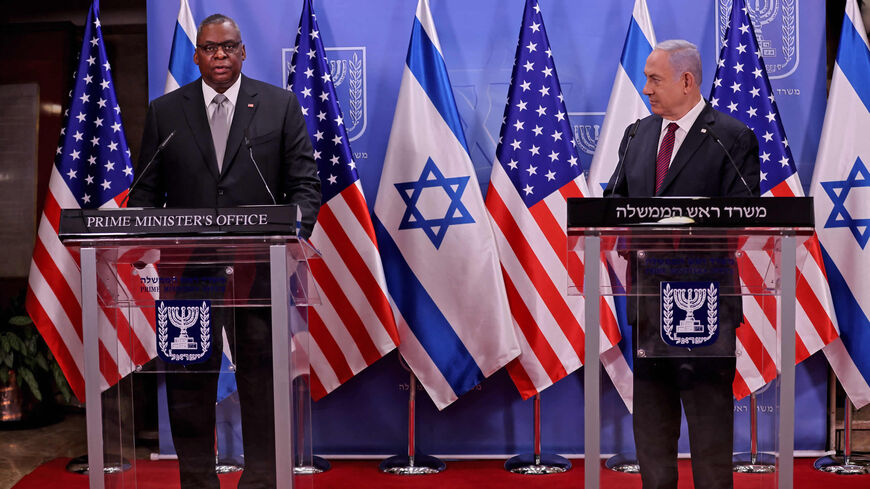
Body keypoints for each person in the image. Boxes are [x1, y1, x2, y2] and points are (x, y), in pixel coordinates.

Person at [129, 14, 320, 489]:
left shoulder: (279, 105)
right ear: (196, 55)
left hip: (260, 268)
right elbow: (145, 194)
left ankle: (260, 481)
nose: (220, 55)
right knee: (189, 385)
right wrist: (141, 235)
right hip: (187, 273)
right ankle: (198, 482)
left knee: (261, 383)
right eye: (210, 48)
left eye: (229, 47)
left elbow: (305, 186)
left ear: (243, 52)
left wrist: (289, 237)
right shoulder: (165, 112)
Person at [603, 40, 760, 489]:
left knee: (710, 437)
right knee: (652, 435)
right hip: (648, 303)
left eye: (655, 78)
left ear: (687, 81)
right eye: (647, 78)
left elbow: (740, 219)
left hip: (705, 306)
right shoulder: (637, 135)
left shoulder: (732, 137)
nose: (646, 88)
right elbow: (613, 206)